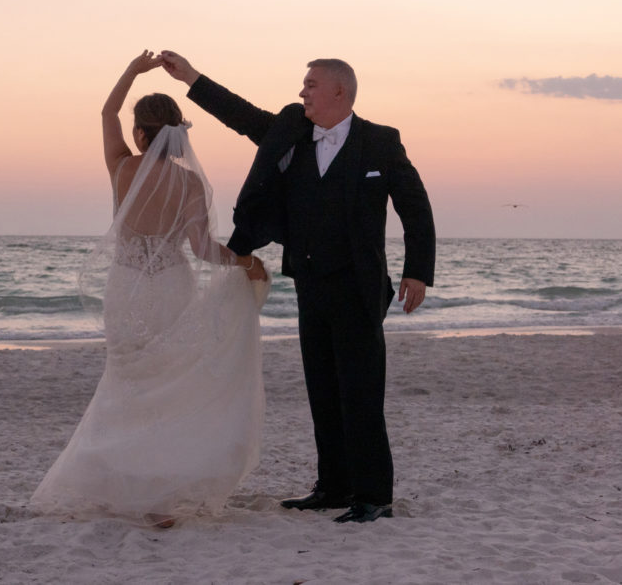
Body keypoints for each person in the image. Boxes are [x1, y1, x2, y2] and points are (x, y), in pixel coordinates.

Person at [161, 50, 435, 523]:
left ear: (339, 92)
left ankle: (373, 495)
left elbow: (415, 207)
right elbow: (242, 116)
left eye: (310, 84)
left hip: (359, 288)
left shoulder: (381, 143)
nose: (302, 91)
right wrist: (192, 78)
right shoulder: (292, 130)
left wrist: (417, 271)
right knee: (323, 392)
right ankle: (333, 486)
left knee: (361, 393)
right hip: (310, 283)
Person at [29, 51, 269, 528]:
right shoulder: (190, 184)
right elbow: (203, 250)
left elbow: (105, 113)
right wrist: (247, 261)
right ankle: (159, 498)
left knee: (126, 384)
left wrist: (132, 71)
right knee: (165, 389)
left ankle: (120, 484)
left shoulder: (121, 169)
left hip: (126, 289)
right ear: (178, 133)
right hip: (171, 288)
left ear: (140, 132)